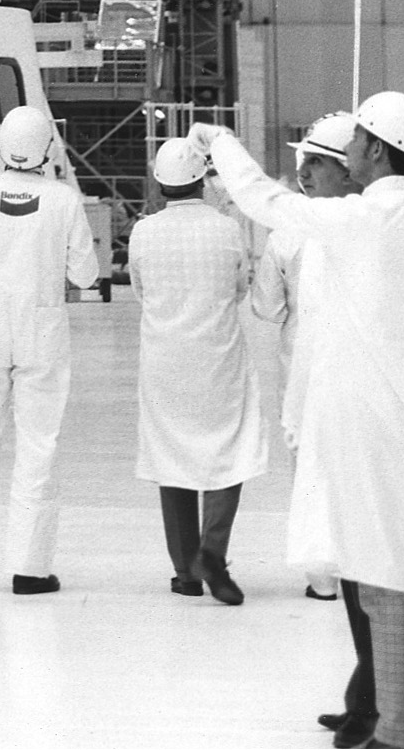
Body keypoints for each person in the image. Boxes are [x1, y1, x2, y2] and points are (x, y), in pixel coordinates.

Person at [194, 95, 404, 750]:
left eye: (353, 143)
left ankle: (398, 732)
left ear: (375, 150)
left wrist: (221, 140)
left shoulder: (360, 218)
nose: (346, 155)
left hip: (369, 427)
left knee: (383, 578)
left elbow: (264, 200)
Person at [0, 104, 101, 596]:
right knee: (38, 444)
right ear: (48, 149)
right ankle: (29, 569)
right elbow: (86, 275)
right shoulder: (64, 200)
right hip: (42, 333)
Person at [128, 135, 266, 604]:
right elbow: (241, 288)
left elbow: (140, 290)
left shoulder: (143, 232)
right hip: (218, 356)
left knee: (173, 459)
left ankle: (185, 572)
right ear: (203, 180)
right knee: (229, 452)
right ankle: (213, 553)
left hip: (165, 360)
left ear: (160, 182)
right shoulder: (227, 229)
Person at [248, 112, 357, 601]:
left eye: (315, 161)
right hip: (347, 377)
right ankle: (351, 571)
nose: (303, 172)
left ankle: (323, 579)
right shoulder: (373, 225)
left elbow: (267, 307)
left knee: (311, 474)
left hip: (305, 376)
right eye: (303, 161)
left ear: (347, 168)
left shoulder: (286, 233)